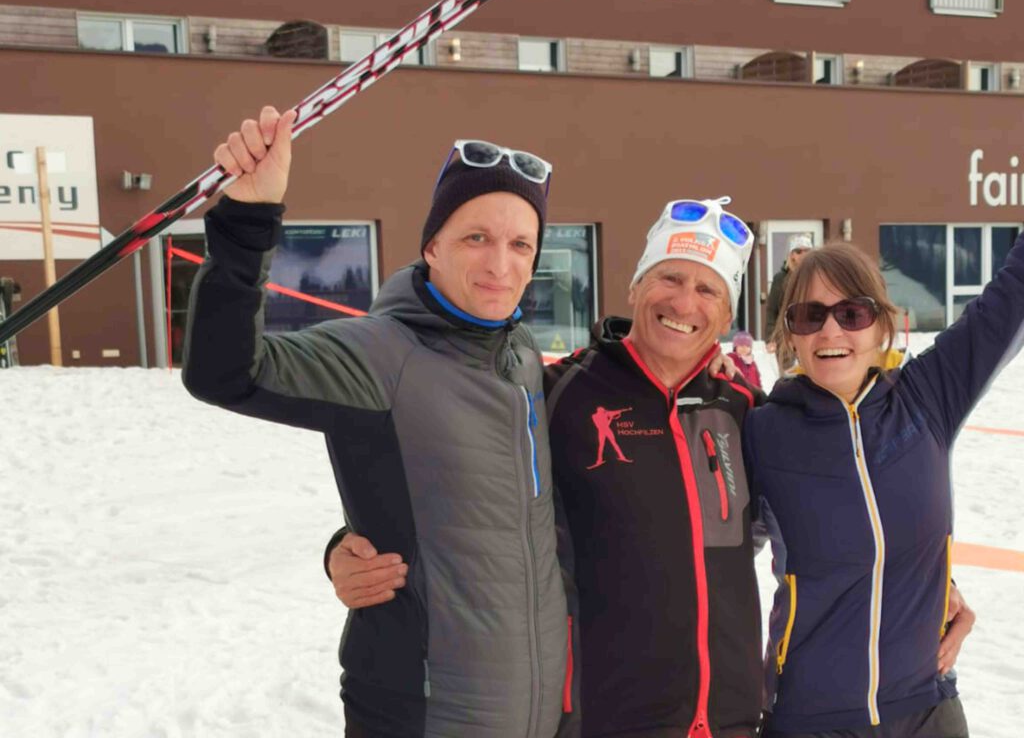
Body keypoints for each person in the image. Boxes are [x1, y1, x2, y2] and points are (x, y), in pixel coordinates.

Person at [327, 200, 976, 737]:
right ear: (636, 284)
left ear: (726, 316)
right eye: (670, 278)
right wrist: (345, 550)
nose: (684, 301)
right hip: (605, 719)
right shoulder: (556, 396)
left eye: (707, 290)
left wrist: (918, 591)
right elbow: (455, 488)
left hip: (729, 723)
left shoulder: (746, 412)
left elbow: (826, 516)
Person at [182, 108, 570, 737]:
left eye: (520, 243)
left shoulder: (520, 355)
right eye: (476, 237)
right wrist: (247, 222)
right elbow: (226, 370)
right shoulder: (377, 354)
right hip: (419, 713)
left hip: (533, 712)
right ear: (432, 246)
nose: (501, 263)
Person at [746, 238, 1013, 737]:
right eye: (810, 315)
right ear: (791, 334)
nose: (830, 329)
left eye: (852, 312)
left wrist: (940, 583)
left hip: (927, 709)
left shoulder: (929, 398)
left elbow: (1010, 298)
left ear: (882, 325)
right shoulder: (761, 433)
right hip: (810, 719)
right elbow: (712, 558)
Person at [765, 234, 812, 355]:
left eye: (807, 251)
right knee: (788, 373)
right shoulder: (781, 279)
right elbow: (772, 311)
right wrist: (771, 339)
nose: (803, 254)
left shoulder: (817, 277)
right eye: (798, 251)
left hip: (811, 335)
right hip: (786, 339)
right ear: (791, 255)